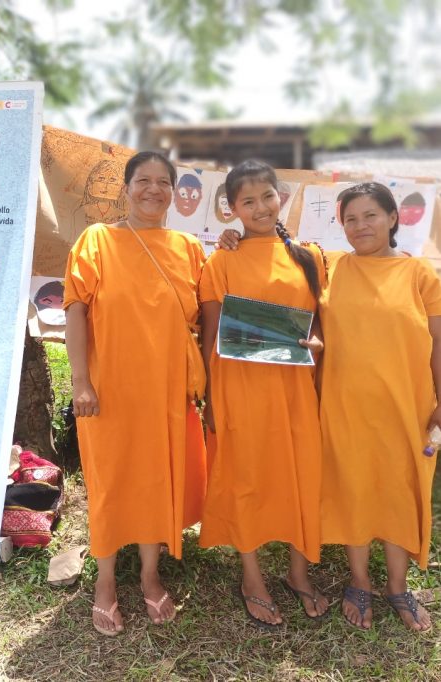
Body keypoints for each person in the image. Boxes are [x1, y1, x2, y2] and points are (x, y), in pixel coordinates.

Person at [64, 151, 208, 636]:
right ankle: (104, 580)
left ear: (174, 192)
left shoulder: (189, 247)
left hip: (166, 390)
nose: (154, 190)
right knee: (109, 481)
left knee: (155, 477)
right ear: (126, 189)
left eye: (163, 182)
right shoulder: (97, 240)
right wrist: (80, 381)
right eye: (143, 180)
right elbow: (75, 311)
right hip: (108, 389)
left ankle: (149, 574)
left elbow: (208, 309)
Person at [199, 159, 329, 629]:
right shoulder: (221, 261)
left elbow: (320, 325)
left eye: (267, 197)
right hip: (241, 388)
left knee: (301, 476)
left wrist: (316, 344)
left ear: (282, 198)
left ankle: (298, 572)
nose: (260, 207)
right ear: (231, 209)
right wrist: (210, 398)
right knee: (247, 477)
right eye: (247, 201)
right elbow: (211, 334)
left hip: (296, 389)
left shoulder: (309, 257)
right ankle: (252, 577)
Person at [317, 182, 441, 632]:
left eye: (369, 215)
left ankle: (397, 586)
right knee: (354, 489)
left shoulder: (420, 274)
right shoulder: (332, 267)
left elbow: (439, 343)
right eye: (350, 219)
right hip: (344, 405)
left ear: (392, 218)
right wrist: (231, 235)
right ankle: (359, 581)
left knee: (398, 491)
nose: (359, 226)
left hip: (406, 408)